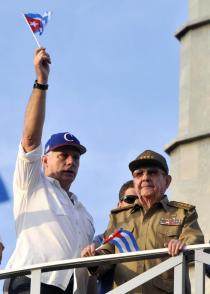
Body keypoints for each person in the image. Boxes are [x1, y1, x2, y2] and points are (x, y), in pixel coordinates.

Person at [5, 48, 95, 294]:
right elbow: (30, 138)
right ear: (44, 160)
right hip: (31, 283)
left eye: (76, 157)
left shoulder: (85, 214)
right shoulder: (32, 184)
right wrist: (41, 83)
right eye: (63, 155)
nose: (70, 161)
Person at [81, 150, 204, 294]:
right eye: (139, 174)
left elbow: (195, 242)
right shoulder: (119, 217)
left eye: (152, 173)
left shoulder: (182, 213)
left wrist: (183, 245)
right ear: (134, 181)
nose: (145, 178)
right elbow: (107, 254)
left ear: (167, 181)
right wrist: (93, 258)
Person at [91, 180, 138, 294]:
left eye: (140, 200)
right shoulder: (100, 240)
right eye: (130, 199)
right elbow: (95, 271)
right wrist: (92, 257)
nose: (136, 204)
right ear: (119, 205)